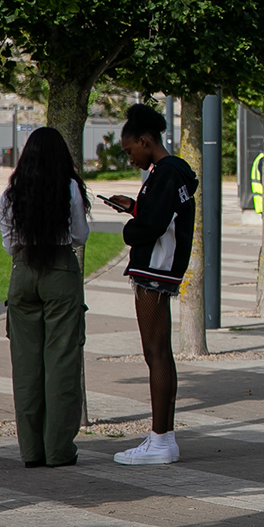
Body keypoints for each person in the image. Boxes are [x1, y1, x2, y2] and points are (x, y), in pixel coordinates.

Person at [103, 104, 199, 465]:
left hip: (155, 271)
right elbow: (162, 216)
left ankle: (161, 440)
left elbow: (154, 225)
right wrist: (134, 208)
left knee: (156, 353)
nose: (130, 158)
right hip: (162, 269)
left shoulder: (165, 172)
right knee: (159, 352)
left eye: (130, 150)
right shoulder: (171, 172)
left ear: (145, 141)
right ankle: (162, 437)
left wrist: (130, 228)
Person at [0, 127, 90, 468]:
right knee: (62, 361)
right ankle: (58, 450)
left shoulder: (11, 194)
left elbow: (9, 244)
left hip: (22, 273)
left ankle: (31, 451)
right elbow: (79, 235)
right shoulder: (68, 188)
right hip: (61, 271)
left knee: (25, 365)